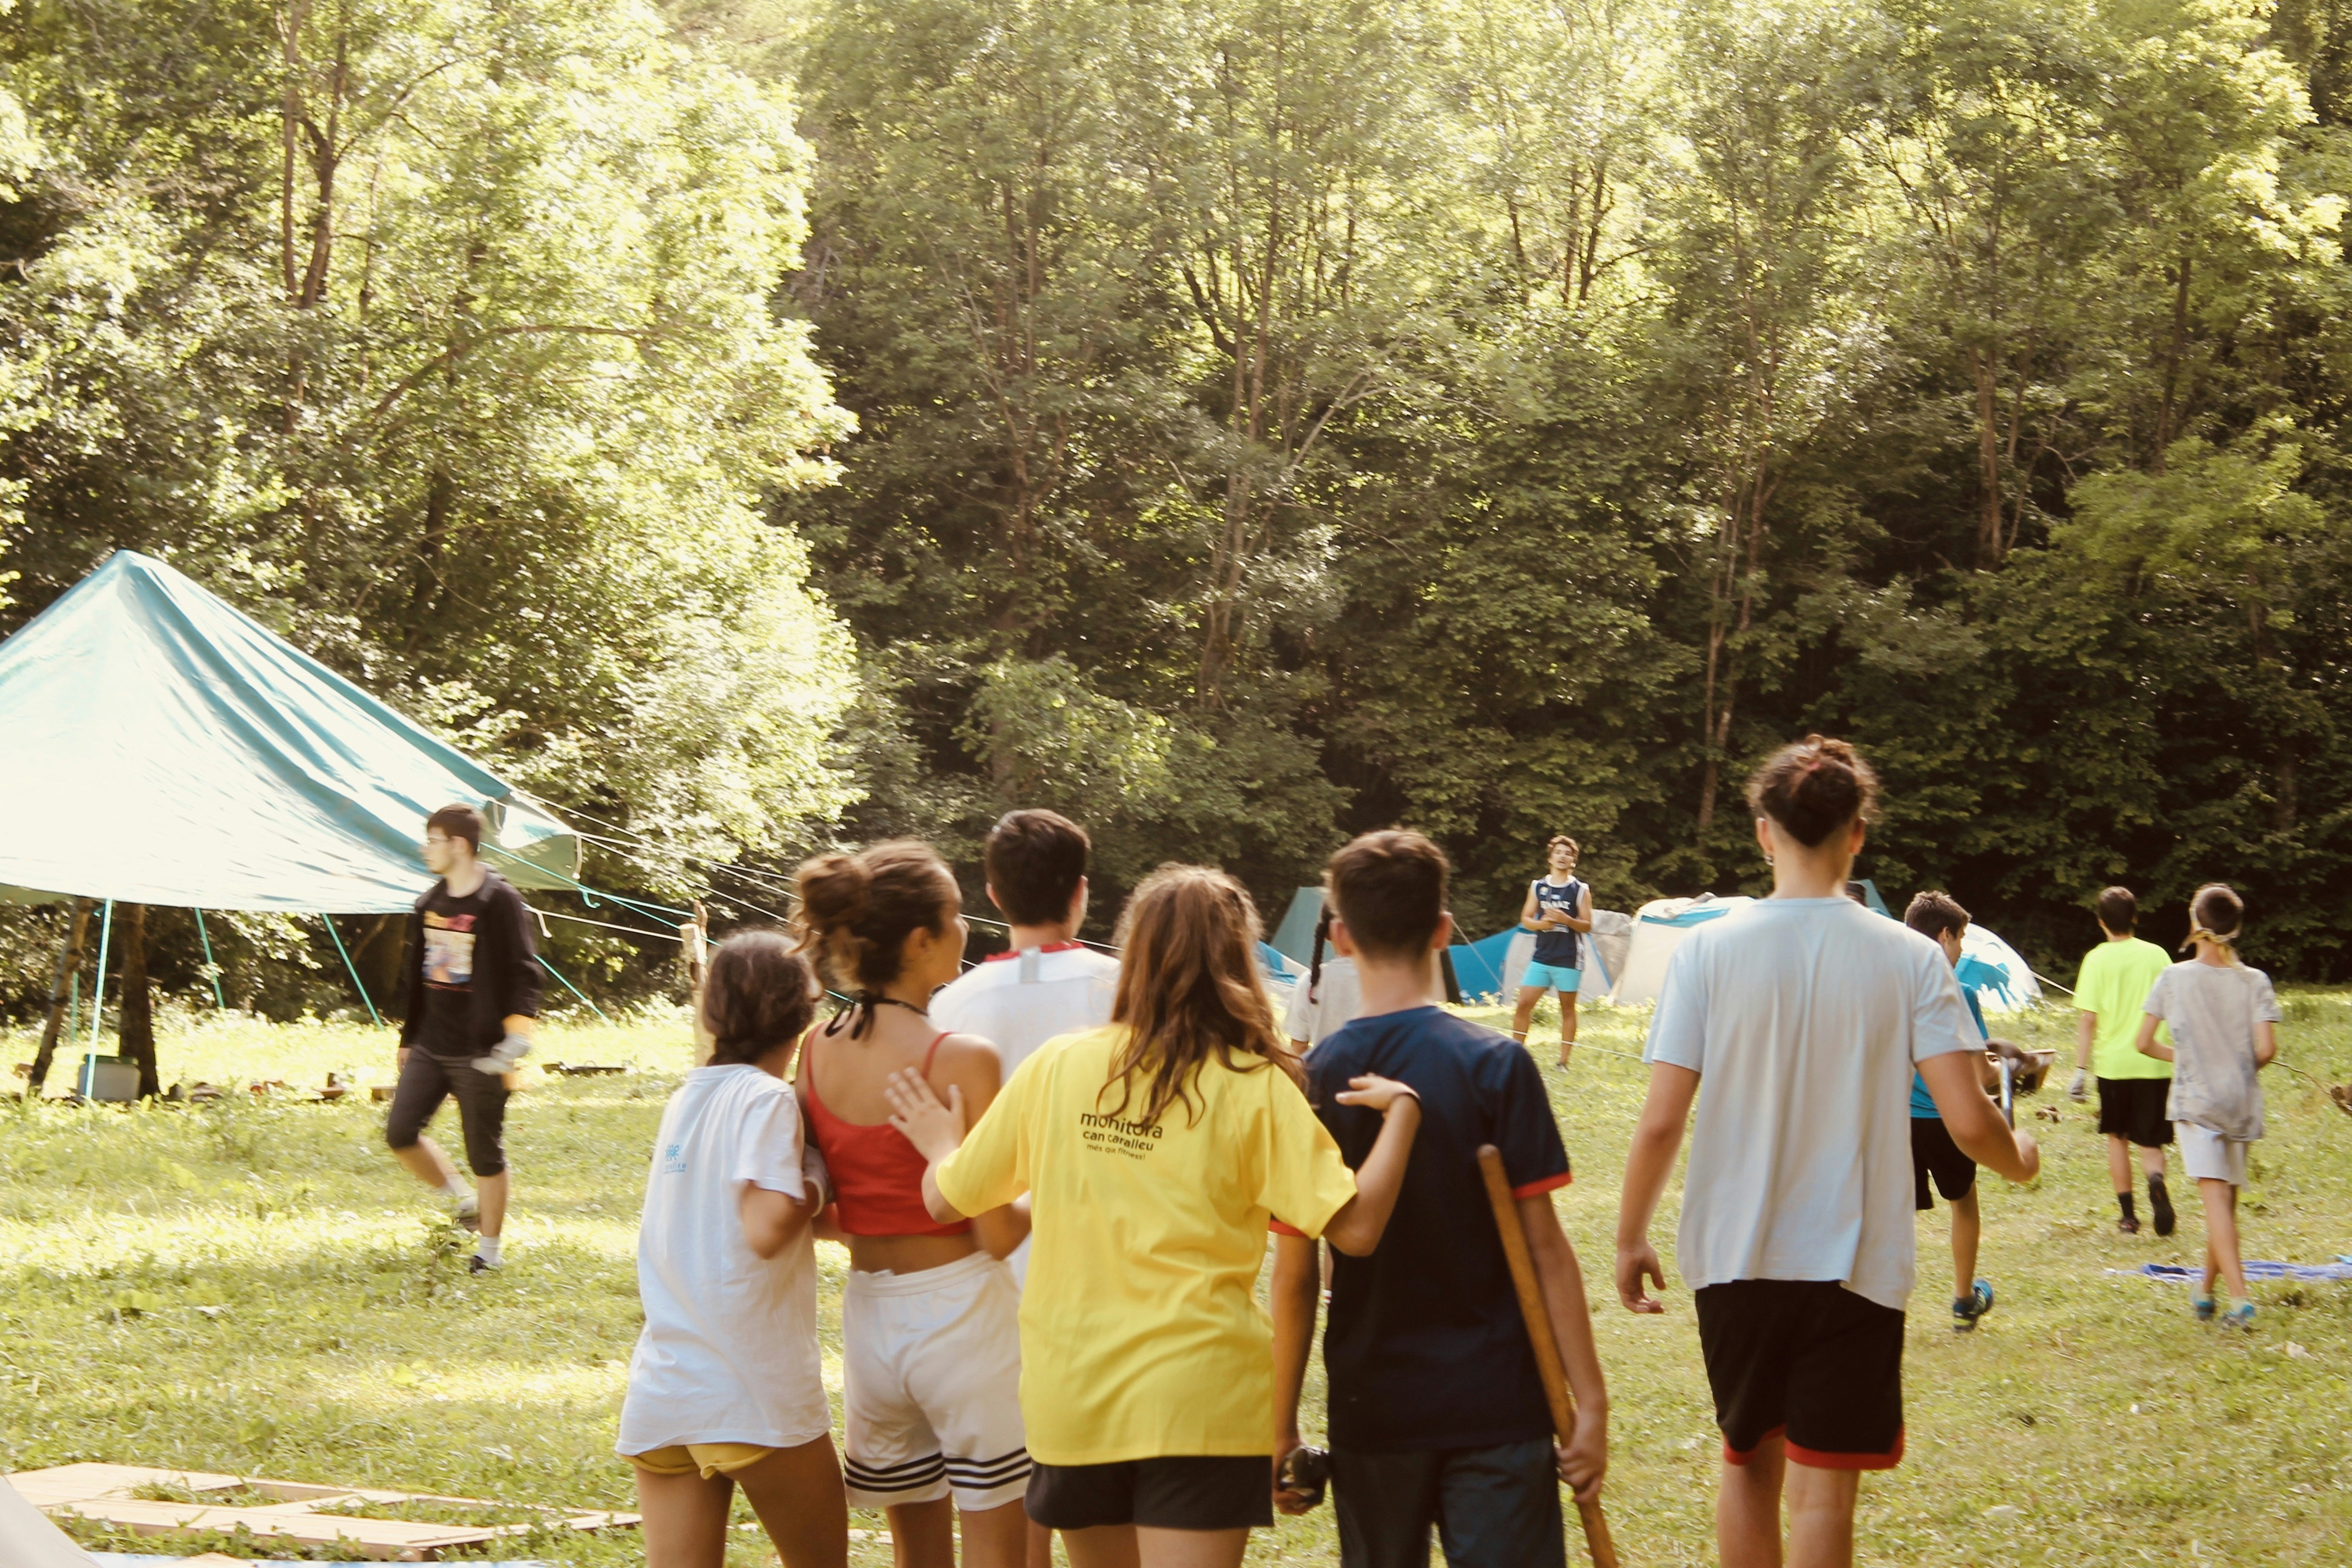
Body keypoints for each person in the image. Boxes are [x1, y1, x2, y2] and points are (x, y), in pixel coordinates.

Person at [884, 864, 1424, 1568]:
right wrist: (1404, 1114)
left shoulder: (1058, 1065)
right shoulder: (1255, 1084)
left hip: (1075, 1396)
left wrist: (940, 1146)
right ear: (1237, 963)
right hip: (1202, 1401)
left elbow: (945, 1198)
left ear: (1133, 953)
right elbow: (1357, 1229)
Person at [1614, 736, 2038, 1568]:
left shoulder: (1705, 951)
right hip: (1855, 1264)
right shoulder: (1912, 957)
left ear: (1763, 832)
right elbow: (1968, 1119)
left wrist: (1630, 1235)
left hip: (1733, 1257)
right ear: (1858, 834)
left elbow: (1662, 1121)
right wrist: (2019, 1157)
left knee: (1747, 1468)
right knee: (1824, 1496)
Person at [1272, 830, 1608, 1568]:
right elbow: (1548, 1251)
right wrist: (1592, 1401)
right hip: (1497, 1404)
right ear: (1444, 931)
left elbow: (1294, 1275)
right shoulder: (1498, 1066)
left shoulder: (1313, 1082)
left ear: (1341, 938)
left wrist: (1281, 1426)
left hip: (1374, 1406)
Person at [792, 842, 1030, 1568]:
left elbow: (823, 1212)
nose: (967, 929)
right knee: (998, 1544)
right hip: (964, 1319)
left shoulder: (814, 1051)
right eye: (956, 916)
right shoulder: (965, 1058)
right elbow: (997, 1234)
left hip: (871, 1319)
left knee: (915, 1551)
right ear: (922, 940)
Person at [617, 932, 847, 1568]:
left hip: (666, 1389)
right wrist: (818, 1177)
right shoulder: (768, 1098)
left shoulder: (686, 1098)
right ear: (805, 1012)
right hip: (750, 1390)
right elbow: (767, 1227)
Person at [388, 804, 540, 1274]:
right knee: (400, 1133)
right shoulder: (429, 904)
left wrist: (517, 1036)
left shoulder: (499, 901)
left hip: (482, 1051)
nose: (426, 849)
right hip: (431, 1045)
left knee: (485, 1154)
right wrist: (409, 1037)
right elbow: (417, 976)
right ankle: (461, 1201)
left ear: (459, 845)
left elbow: (525, 973)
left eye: (433, 840)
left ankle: (489, 1253)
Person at [2131, 884, 2280, 1330]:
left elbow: (2143, 1042)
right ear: (2236, 928)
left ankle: (2240, 1301)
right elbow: (2267, 1050)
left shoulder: (2173, 978)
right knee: (2225, 1204)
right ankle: (2205, 1291)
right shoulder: (2255, 981)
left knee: (2217, 1203)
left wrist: (2186, 1059)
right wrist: (2234, 1064)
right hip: (2240, 1101)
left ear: (2196, 924)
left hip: (2196, 1101)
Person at [1901, 891, 1996, 1332]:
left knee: (1894, 1214)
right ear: (1945, 936)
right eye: (1961, 939)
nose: (1961, 950)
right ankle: (1962, 1301)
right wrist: (2014, 1069)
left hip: (1895, 1120)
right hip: (1945, 1119)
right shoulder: (1961, 992)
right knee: (1964, 1205)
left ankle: (1886, 1304)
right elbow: (1980, 1074)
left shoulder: (1889, 987)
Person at [2067, 886, 2178, 1235]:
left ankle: (2129, 1217)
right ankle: (2156, 1179)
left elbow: (2088, 1019)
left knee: (2117, 1138)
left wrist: (2080, 1070)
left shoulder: (2096, 959)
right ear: (2135, 917)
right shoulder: (2157, 955)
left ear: (2100, 922)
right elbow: (2176, 1006)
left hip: (2113, 1067)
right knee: (2151, 1141)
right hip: (2155, 1061)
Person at [1511, 837, 1591, 1067]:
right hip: (1542, 957)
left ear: (1573, 861)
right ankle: (1515, 1056)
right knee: (1524, 1004)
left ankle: (1563, 1062)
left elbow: (1587, 925)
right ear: (1550, 858)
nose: (1562, 856)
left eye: (1568, 853)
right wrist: (1541, 925)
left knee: (1567, 1009)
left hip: (1569, 958)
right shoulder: (1538, 886)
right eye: (1558, 852)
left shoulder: (1580, 889)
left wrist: (1566, 920)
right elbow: (1526, 919)